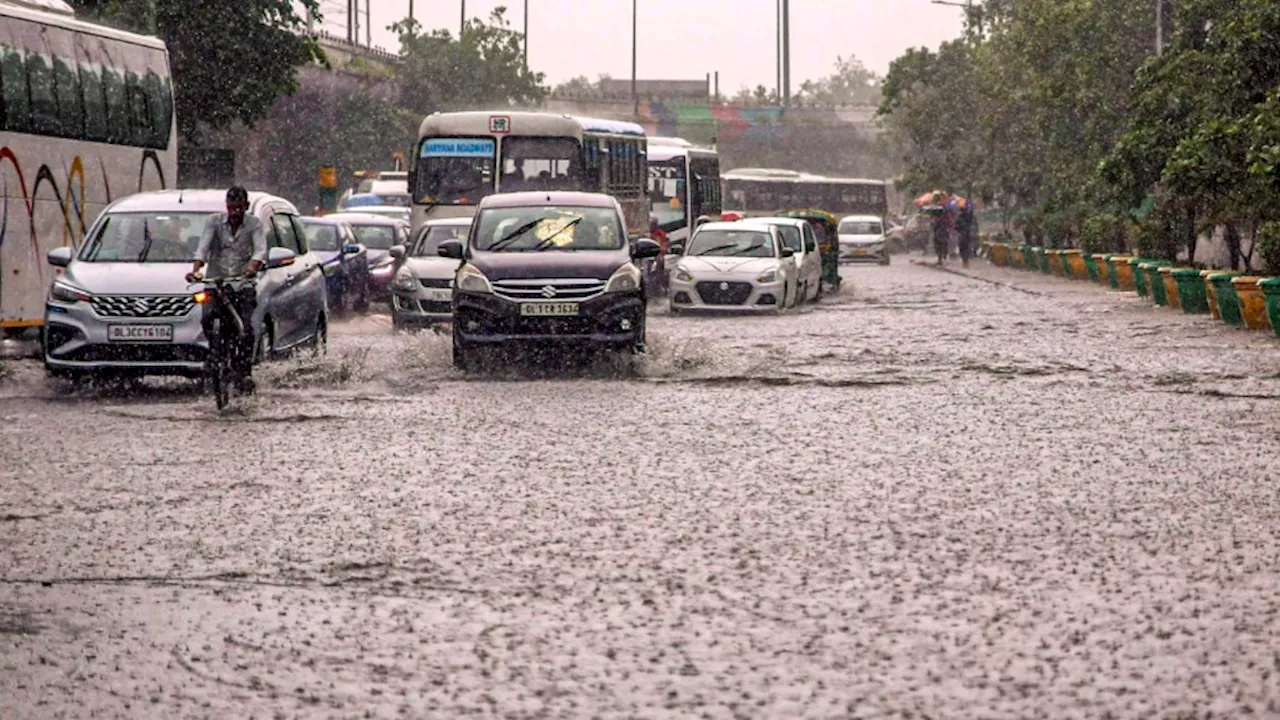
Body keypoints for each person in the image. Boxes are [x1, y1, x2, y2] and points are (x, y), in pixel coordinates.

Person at [187, 186, 266, 394]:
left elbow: (260, 250)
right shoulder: (213, 222)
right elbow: (202, 248)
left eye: (239, 208)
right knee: (206, 318)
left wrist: (251, 268)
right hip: (216, 284)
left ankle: (245, 371)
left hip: (242, 285)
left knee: (246, 329)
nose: (235, 213)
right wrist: (196, 270)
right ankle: (215, 356)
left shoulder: (255, 225)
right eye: (231, 208)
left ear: (246, 207)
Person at [955, 203, 976, 268]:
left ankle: (965, 262)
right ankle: (966, 262)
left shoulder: (959, 217)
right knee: (967, 248)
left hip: (962, 235)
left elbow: (956, 227)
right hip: (968, 234)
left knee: (963, 248)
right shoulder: (970, 217)